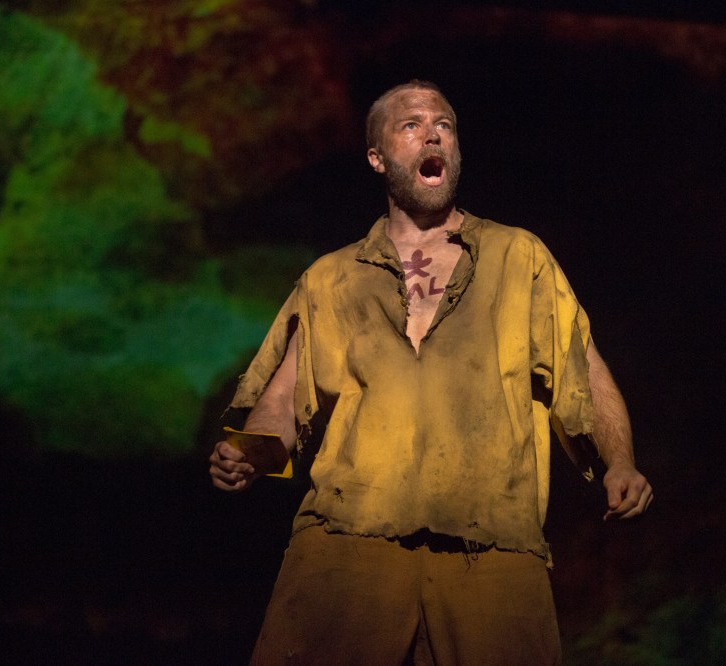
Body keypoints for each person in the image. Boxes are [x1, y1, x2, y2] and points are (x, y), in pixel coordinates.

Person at [209, 80, 653, 665]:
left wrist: (620, 460)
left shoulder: (518, 257)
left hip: (490, 542)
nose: (433, 134)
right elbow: (287, 393)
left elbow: (583, 368)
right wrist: (251, 453)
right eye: (412, 125)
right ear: (377, 158)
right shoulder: (331, 278)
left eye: (444, 124)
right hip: (349, 537)